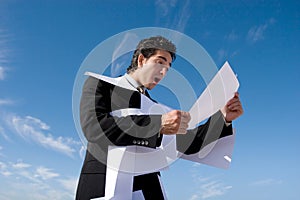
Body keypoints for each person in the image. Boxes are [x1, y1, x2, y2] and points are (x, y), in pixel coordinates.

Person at [75, 36, 243, 200]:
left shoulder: (157, 108)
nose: (163, 72)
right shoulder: (101, 85)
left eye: (168, 68)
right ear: (141, 60)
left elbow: (190, 143)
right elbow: (94, 127)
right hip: (102, 184)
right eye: (160, 62)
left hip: (148, 188)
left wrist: (223, 117)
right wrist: (158, 124)